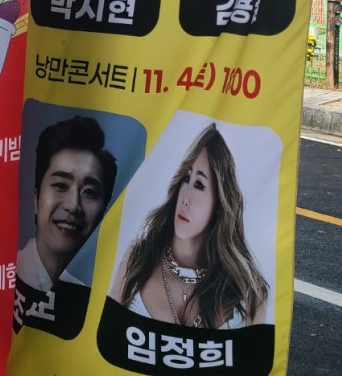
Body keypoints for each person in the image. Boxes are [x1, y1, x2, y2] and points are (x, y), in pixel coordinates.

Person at [111, 124, 268, 329]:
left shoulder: (249, 293)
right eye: (186, 178)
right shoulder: (138, 257)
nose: (185, 198)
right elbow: (104, 333)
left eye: (199, 185)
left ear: (219, 203)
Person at [17, 115, 118, 292]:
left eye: (89, 192)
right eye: (60, 186)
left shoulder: (91, 294)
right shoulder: (5, 274)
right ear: (36, 198)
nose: (73, 205)